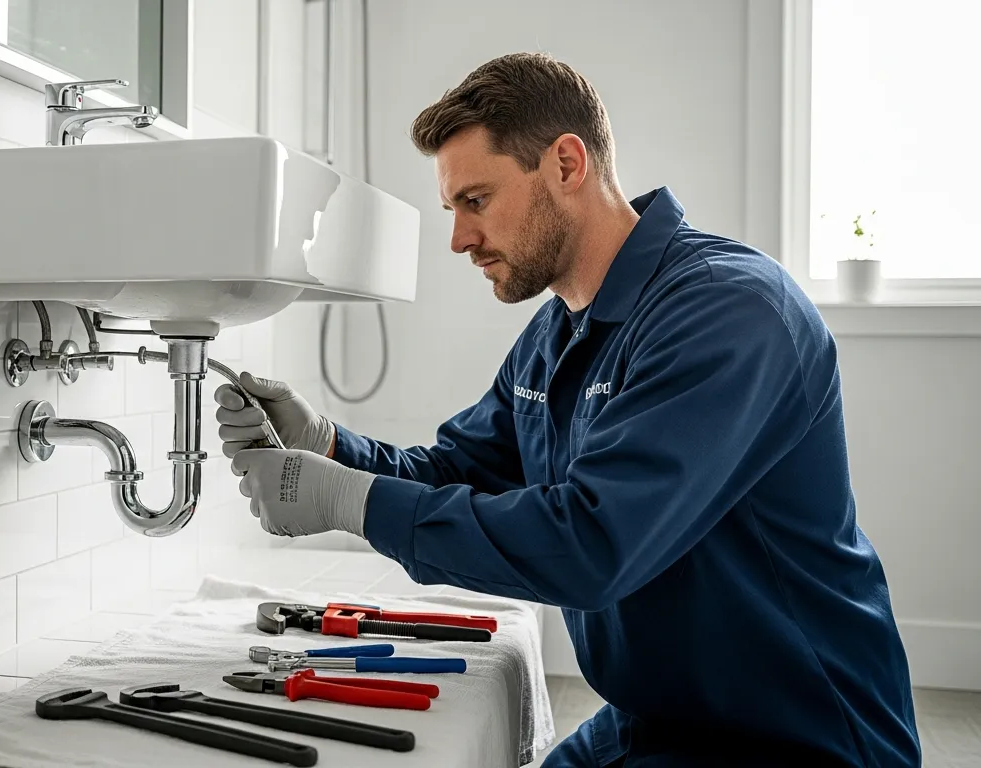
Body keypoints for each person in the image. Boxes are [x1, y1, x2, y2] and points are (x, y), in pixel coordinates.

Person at [215, 53, 920, 767]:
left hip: (794, 737)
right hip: (656, 718)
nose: (459, 238)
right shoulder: (559, 332)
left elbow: (593, 543)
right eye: (453, 209)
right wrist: (333, 448)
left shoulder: (730, 313)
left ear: (566, 164)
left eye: (476, 201)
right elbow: (468, 467)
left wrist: (348, 501)